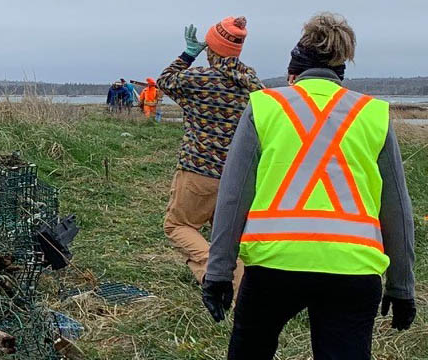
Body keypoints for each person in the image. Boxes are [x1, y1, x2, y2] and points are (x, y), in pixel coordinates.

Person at [202, 12, 416, 360]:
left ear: (293, 73)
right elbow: (397, 208)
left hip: (273, 266)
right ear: (340, 72)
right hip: (352, 269)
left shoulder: (265, 105)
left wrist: (218, 273)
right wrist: (402, 286)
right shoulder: (372, 113)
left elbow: (233, 196)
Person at [157, 18, 264, 286]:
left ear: (210, 48)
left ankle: (216, 278)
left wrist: (187, 55)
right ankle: (239, 293)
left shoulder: (198, 80)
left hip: (198, 171)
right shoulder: (253, 84)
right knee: (227, 237)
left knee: (178, 227)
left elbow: (165, 81)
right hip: (240, 177)